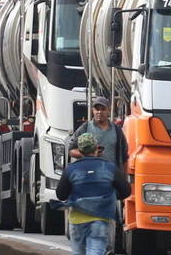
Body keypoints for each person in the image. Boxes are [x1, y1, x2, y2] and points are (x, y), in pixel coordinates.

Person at [68, 96, 129, 254]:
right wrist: (88, 154)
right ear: (92, 110)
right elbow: (71, 149)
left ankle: (107, 247)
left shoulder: (116, 131)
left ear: (109, 110)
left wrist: (124, 179)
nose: (99, 112)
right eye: (96, 108)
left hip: (109, 181)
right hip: (88, 180)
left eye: (102, 109)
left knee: (109, 216)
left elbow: (124, 156)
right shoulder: (85, 128)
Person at [57, 133, 131, 255]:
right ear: (96, 148)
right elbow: (126, 190)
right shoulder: (109, 167)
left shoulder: (71, 169)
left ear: (80, 150)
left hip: (77, 221)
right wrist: (111, 196)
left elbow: (61, 195)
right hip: (100, 219)